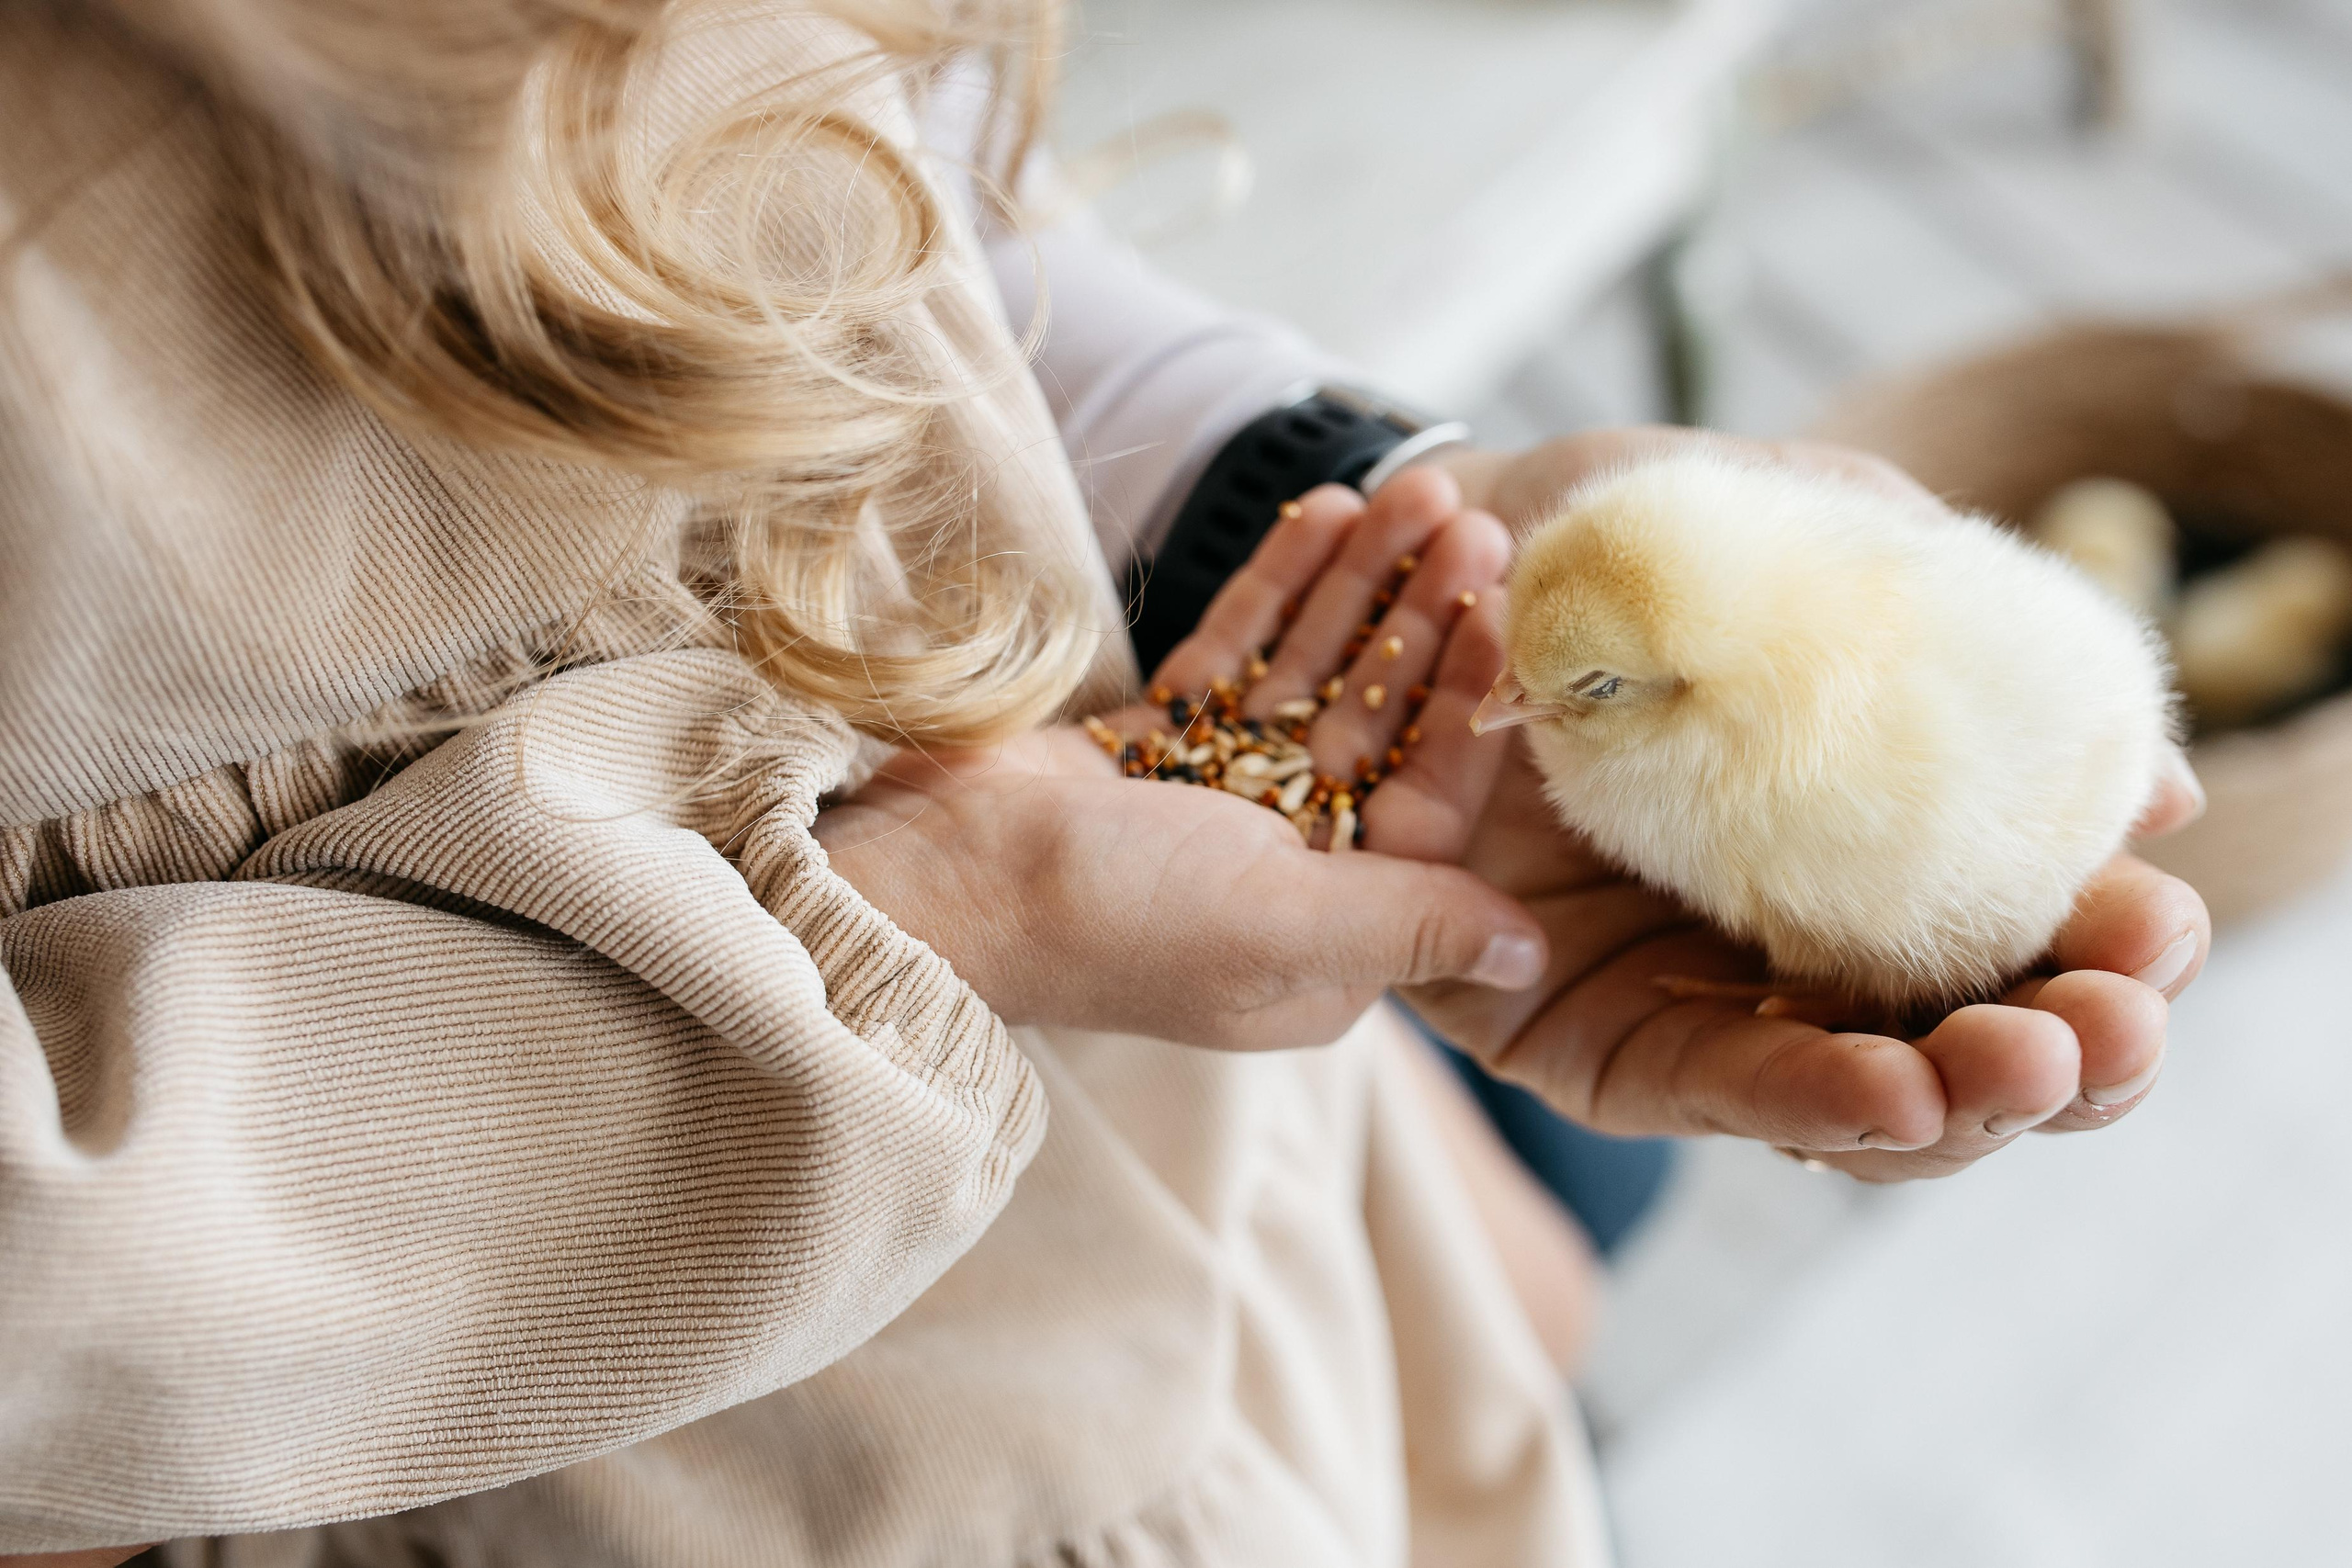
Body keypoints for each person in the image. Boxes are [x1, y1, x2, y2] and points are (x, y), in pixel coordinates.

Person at [0, 2, 2208, 1563]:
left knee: (1494, 1302)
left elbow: (884, 229)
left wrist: (1327, 509)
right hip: (577, 1450)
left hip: (1146, 994)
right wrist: (934, 921)